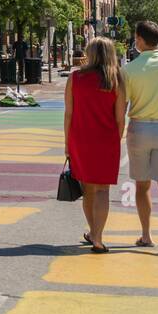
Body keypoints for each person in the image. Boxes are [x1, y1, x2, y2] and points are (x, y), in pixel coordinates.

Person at [121, 20, 158, 255]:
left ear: (140, 40)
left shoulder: (130, 70)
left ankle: (146, 235)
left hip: (140, 128)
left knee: (142, 185)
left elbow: (122, 105)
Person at [64, 37, 127, 253]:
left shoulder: (75, 77)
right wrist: (115, 140)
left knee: (88, 189)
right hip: (106, 140)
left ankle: (92, 231)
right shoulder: (115, 78)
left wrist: (67, 144)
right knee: (102, 191)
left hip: (80, 139)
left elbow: (69, 114)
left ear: (90, 54)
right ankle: (98, 237)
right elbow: (120, 118)